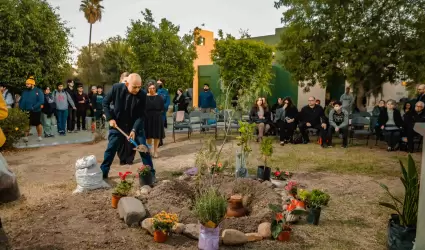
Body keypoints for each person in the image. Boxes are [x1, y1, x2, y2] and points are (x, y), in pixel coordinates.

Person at [100, 73, 154, 179]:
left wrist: (134, 130)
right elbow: (105, 103)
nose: (137, 90)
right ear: (127, 84)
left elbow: (141, 115)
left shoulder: (142, 95)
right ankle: (103, 172)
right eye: (134, 87)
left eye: (139, 87)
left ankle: (150, 174)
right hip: (118, 124)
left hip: (136, 126)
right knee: (111, 148)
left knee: (143, 149)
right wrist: (110, 118)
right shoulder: (116, 88)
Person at [19, 76, 44, 142]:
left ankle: (39, 136)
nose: (26, 85)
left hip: (36, 111)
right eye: (26, 84)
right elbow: (22, 100)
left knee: (37, 123)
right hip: (26, 110)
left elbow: (41, 101)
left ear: (32, 84)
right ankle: (26, 137)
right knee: (27, 123)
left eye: (28, 84)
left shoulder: (38, 91)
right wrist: (21, 107)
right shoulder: (24, 91)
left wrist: (33, 107)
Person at [145, 82, 165, 158]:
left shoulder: (159, 97)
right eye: (150, 88)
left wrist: (159, 115)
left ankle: (155, 151)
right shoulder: (145, 97)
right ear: (147, 89)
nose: (152, 89)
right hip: (148, 118)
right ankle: (149, 150)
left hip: (157, 118)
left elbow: (163, 108)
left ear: (155, 88)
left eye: (153, 88)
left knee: (156, 136)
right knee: (149, 136)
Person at [156, 79, 170, 147]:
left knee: (161, 126)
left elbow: (167, 102)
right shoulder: (154, 90)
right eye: (157, 83)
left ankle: (160, 140)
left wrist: (163, 107)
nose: (159, 84)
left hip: (162, 112)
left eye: (160, 83)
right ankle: (158, 140)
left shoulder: (165, 92)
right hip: (155, 112)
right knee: (156, 126)